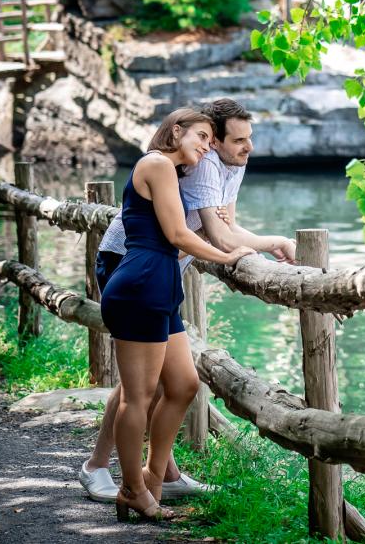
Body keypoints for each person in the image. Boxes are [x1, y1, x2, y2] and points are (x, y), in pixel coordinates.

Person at [79, 98, 295, 504]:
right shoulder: (194, 165)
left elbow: (228, 226)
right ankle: (102, 468)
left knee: (170, 382)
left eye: (249, 139)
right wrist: (254, 250)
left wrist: (270, 243)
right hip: (129, 263)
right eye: (235, 140)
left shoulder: (230, 163)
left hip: (161, 275)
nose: (247, 148)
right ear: (205, 139)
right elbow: (216, 237)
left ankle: (160, 473)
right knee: (139, 386)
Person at [98, 108, 255, 522]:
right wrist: (226, 254)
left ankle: (153, 477)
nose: (206, 145)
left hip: (160, 283)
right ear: (176, 131)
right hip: (141, 283)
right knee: (138, 398)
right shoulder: (156, 164)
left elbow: (187, 232)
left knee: (184, 384)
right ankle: (133, 490)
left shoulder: (172, 172)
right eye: (201, 136)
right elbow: (177, 234)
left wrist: (220, 229)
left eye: (209, 139)